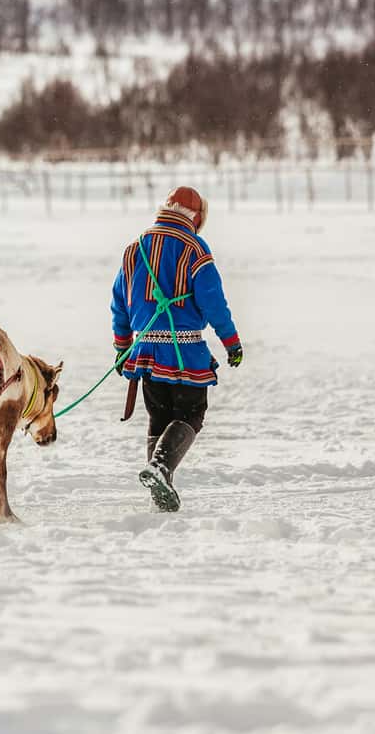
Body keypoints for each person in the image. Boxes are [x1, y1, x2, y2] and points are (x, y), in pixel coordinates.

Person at [110, 187, 242, 511]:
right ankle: (161, 470)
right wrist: (231, 342)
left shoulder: (134, 249)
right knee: (191, 414)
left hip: (146, 353)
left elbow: (119, 303)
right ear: (195, 217)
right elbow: (214, 303)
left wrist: (122, 346)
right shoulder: (195, 248)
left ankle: (160, 486)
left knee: (159, 417)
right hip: (186, 352)